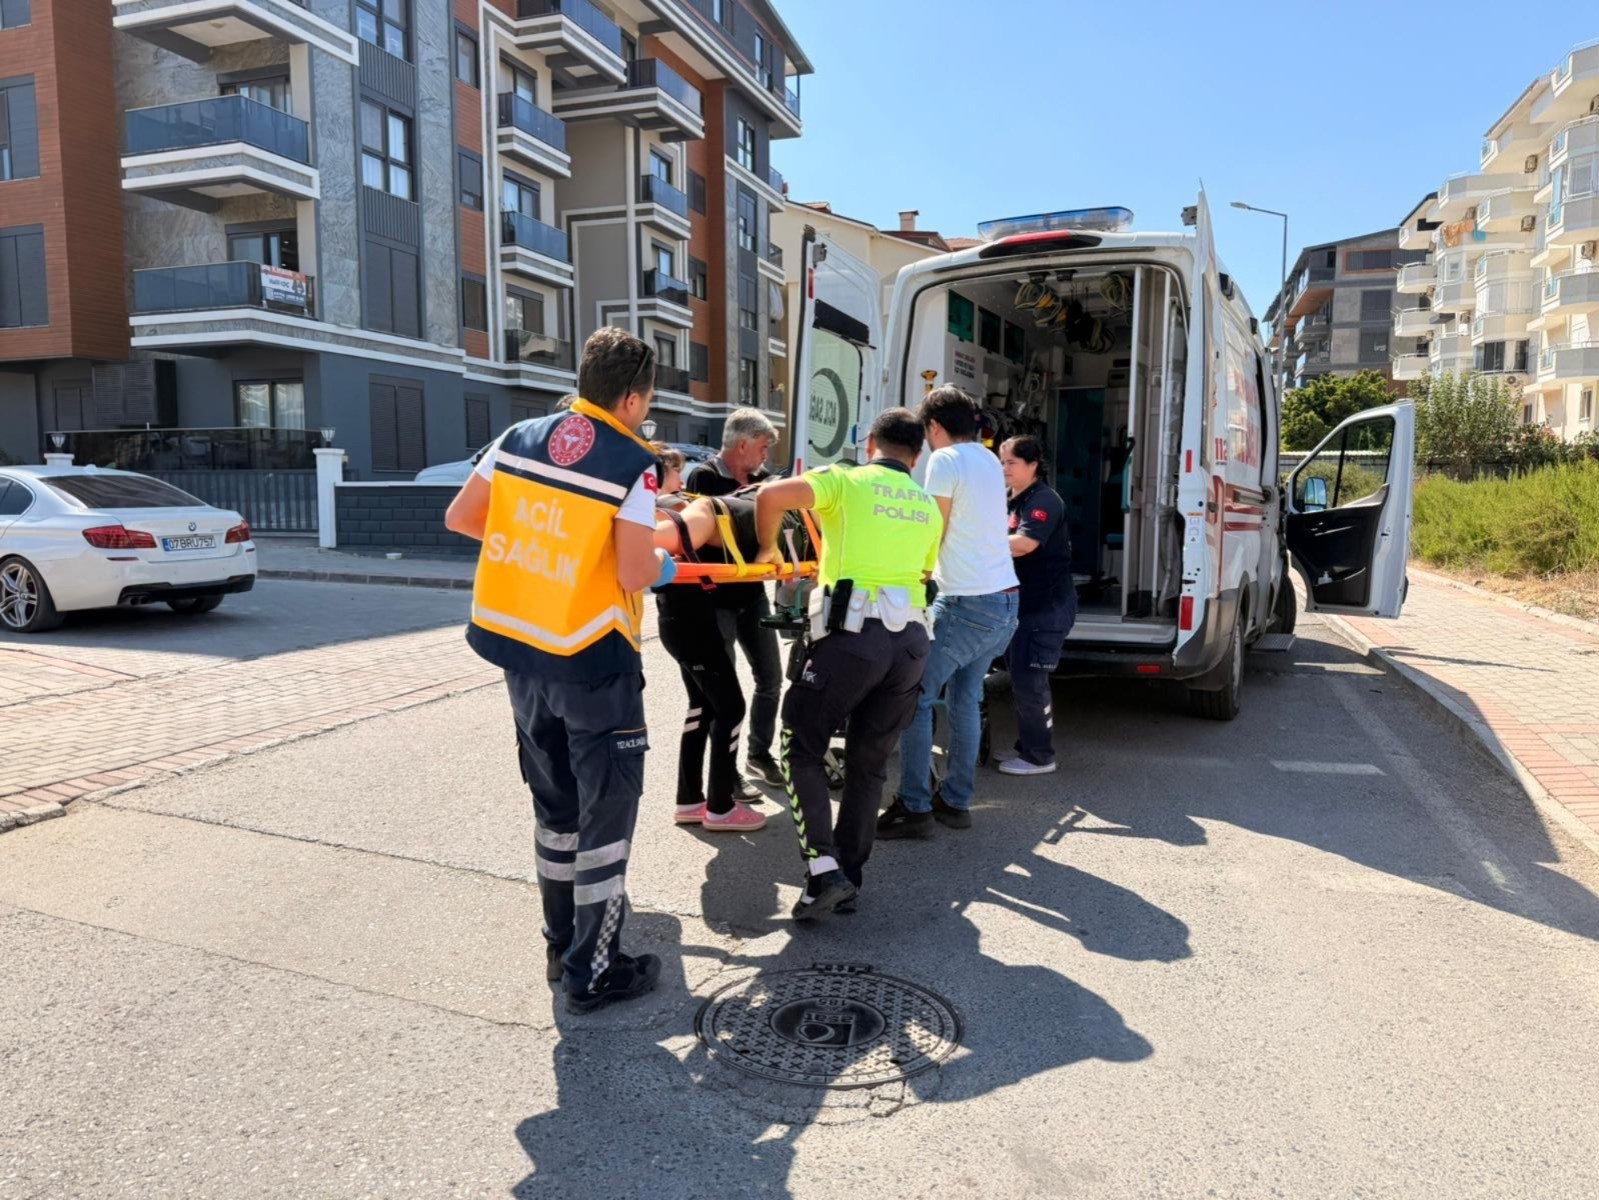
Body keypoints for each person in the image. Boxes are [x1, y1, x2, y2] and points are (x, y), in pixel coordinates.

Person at [445, 327, 675, 1015]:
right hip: (593, 659)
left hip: (521, 649)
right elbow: (636, 570)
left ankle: (559, 943)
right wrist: (663, 562)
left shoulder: (517, 435)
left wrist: (545, 552)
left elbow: (463, 517)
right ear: (633, 398)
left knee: (555, 809)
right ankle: (593, 971)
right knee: (607, 815)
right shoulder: (631, 461)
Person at [753, 408, 943, 920]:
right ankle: (847, 880)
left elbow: (770, 496)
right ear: (917, 456)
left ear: (870, 444)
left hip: (853, 639)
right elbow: (922, 572)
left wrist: (768, 549)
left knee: (800, 746)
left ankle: (823, 870)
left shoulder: (846, 481)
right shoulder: (928, 507)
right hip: (910, 647)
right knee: (869, 763)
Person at [880, 386, 1019, 840]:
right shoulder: (987, 457)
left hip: (966, 603)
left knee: (914, 697)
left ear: (934, 427)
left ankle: (915, 806)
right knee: (965, 698)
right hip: (1004, 601)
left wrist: (908, 575)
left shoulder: (944, 460)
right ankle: (956, 801)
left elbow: (931, 527)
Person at [651, 493, 769, 834]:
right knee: (731, 708)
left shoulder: (677, 528)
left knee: (701, 707)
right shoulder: (681, 525)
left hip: (682, 621)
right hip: (690, 626)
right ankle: (720, 808)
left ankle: (688, 801)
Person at [684, 409, 785, 788]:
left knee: (770, 679)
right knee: (722, 695)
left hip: (753, 595)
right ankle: (726, 774)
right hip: (715, 598)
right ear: (742, 445)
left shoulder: (766, 481)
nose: (765, 455)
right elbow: (705, 531)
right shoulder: (704, 476)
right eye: (762, 447)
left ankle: (759, 755)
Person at [997, 435, 1077, 776]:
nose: (1004, 469)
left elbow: (1025, 543)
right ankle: (1027, 745)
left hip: (1046, 607)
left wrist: (978, 544)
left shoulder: (1044, 500)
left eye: (1011, 463)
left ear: (1032, 465)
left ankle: (1039, 756)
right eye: (1001, 462)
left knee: (1031, 681)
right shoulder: (1013, 499)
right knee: (1019, 677)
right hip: (1025, 606)